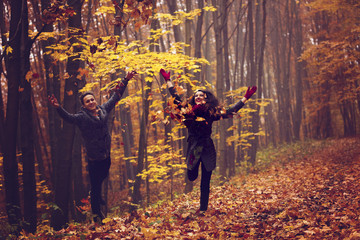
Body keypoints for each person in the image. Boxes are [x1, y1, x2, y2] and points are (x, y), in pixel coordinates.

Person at [160, 69, 257, 212]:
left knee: (206, 181)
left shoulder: (211, 112)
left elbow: (230, 111)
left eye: (202, 95)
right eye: (197, 95)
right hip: (193, 146)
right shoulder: (188, 111)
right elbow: (175, 97)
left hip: (207, 147)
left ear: (206, 99)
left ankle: (203, 210)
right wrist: (168, 80)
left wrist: (245, 98)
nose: (199, 97)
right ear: (194, 98)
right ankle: (192, 171)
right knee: (192, 176)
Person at [48, 71, 136, 223]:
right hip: (94, 158)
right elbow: (68, 118)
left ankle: (97, 197)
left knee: (101, 179)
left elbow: (116, 96)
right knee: (95, 188)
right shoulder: (82, 117)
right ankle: (98, 216)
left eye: (92, 99)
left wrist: (126, 79)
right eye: (87, 101)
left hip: (106, 155)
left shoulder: (103, 109)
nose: (91, 102)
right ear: (83, 105)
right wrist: (58, 107)